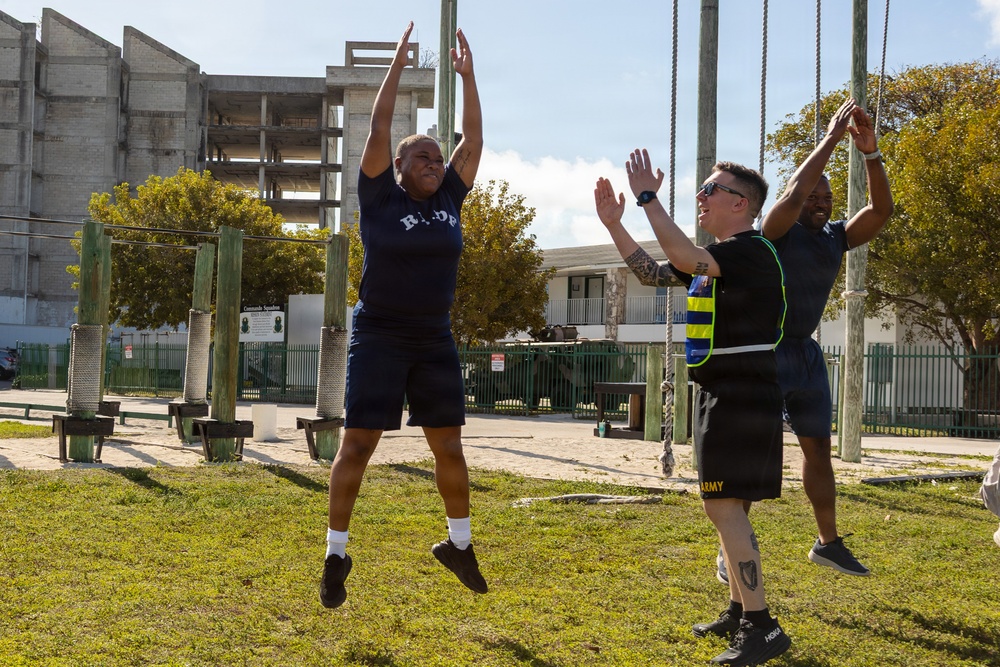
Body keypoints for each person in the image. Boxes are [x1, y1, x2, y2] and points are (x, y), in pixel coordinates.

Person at [596, 150, 791, 666]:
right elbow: (655, 273)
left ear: (741, 203)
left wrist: (647, 200)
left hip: (740, 394)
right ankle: (738, 610)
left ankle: (762, 626)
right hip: (722, 392)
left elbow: (682, 259)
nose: (701, 196)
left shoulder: (752, 251)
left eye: (712, 189)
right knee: (733, 507)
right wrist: (616, 226)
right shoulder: (717, 258)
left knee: (722, 506)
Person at [320, 21, 486, 609]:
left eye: (438, 158)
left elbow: (474, 142)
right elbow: (379, 123)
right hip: (380, 335)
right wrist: (395, 63)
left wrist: (469, 79)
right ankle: (336, 552)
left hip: (434, 338)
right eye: (422, 156)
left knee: (450, 446)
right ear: (397, 164)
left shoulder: (449, 200)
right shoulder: (379, 196)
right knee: (359, 442)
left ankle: (458, 544)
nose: (435, 163)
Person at [757, 100, 893, 577]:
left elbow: (880, 210)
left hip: (806, 354)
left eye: (827, 197)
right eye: (813, 197)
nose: (820, 203)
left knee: (818, 450)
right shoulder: (774, 232)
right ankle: (733, 539)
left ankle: (827, 542)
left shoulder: (835, 236)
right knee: (760, 447)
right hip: (765, 351)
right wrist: (832, 140)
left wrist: (870, 154)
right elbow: (792, 196)